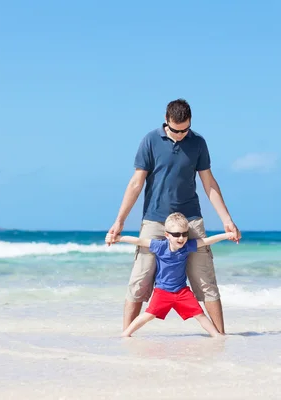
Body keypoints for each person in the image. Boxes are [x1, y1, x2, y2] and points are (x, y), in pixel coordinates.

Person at [106, 98, 241, 334]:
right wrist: (119, 222)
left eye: (185, 129)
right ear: (166, 121)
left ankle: (220, 337)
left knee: (205, 281)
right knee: (140, 280)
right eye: (176, 130)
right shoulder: (150, 140)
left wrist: (227, 220)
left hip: (190, 219)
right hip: (155, 220)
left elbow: (208, 183)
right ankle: (126, 338)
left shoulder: (198, 142)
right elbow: (136, 183)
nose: (181, 135)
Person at [106, 212, 235, 338]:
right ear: (167, 235)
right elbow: (139, 241)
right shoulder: (160, 246)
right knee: (148, 315)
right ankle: (125, 334)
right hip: (162, 292)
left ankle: (217, 336)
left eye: (185, 234)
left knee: (199, 314)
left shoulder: (187, 246)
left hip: (182, 292)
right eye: (177, 234)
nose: (181, 238)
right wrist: (118, 238)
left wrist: (227, 235)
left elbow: (207, 241)